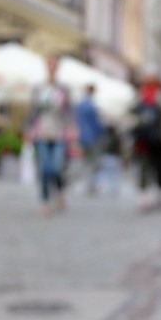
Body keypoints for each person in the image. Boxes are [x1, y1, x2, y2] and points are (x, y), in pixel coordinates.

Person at [26, 55, 72, 216]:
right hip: (42, 131)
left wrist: (72, 128)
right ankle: (45, 200)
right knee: (45, 167)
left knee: (57, 167)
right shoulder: (39, 88)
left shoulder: (63, 88)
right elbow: (32, 111)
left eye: (54, 65)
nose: (51, 68)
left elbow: (68, 111)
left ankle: (59, 191)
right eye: (49, 65)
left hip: (59, 132)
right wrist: (29, 129)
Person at [130, 66, 161, 212]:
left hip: (159, 137)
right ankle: (144, 196)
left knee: (160, 166)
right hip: (143, 138)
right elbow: (131, 110)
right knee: (144, 165)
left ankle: (160, 193)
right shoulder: (140, 94)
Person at [74, 83, 105, 194]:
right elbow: (97, 123)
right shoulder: (91, 105)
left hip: (82, 137)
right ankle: (90, 183)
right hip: (93, 137)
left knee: (85, 160)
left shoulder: (80, 104)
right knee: (94, 161)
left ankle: (84, 182)